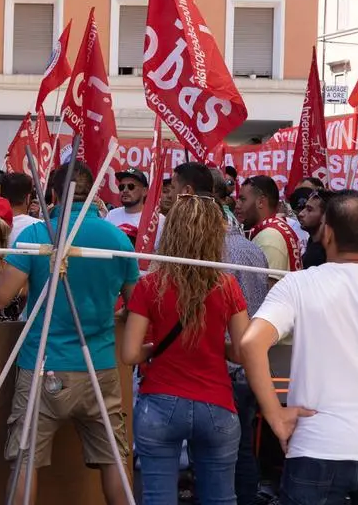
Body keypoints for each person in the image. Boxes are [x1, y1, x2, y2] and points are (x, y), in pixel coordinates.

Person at [0, 161, 136, 505]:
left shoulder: (39, 236)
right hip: (99, 365)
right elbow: (135, 305)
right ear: (94, 192)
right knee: (114, 460)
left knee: (26, 460)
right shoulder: (117, 239)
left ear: (51, 193)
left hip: (43, 366)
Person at [241, 191, 358, 504]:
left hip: (315, 448)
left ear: (326, 231)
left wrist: (275, 416)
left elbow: (251, 342)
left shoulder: (298, 284)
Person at [122, 194, 250, 505]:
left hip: (159, 403)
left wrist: (155, 347)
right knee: (220, 498)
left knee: (157, 497)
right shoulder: (227, 285)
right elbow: (243, 352)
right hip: (216, 403)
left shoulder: (149, 286)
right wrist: (212, 344)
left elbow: (129, 355)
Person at [209, 168, 269, 505]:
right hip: (250, 365)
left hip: (222, 362)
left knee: (216, 451)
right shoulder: (253, 250)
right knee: (243, 445)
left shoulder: (211, 256)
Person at [235, 176, 303, 288]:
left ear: (261, 202)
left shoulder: (270, 236)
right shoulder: (274, 229)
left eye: (243, 199)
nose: (237, 205)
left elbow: (267, 290)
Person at [105, 167, 164, 250]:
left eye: (131, 186)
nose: (125, 190)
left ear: (145, 191)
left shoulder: (158, 220)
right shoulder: (111, 215)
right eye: (121, 187)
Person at [297, 191, 330, 269]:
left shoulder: (324, 255)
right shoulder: (311, 241)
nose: (301, 214)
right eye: (304, 208)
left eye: (309, 210)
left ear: (324, 216)